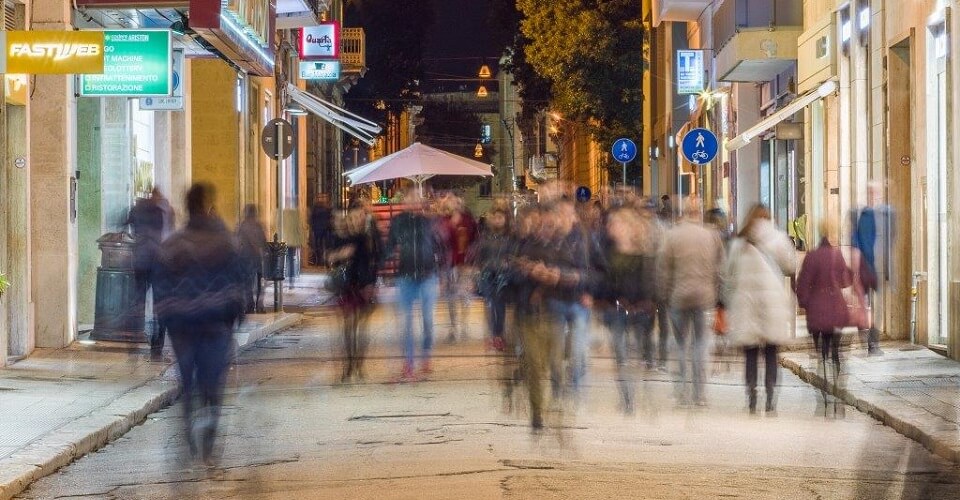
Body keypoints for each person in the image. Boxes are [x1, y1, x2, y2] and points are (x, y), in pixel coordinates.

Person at [153, 183, 245, 464]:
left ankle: (188, 433)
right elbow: (239, 284)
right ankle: (208, 446)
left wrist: (167, 320)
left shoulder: (172, 244)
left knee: (187, 381)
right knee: (213, 384)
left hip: (182, 327)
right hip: (215, 325)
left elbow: (161, 287)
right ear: (207, 206)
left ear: (186, 207)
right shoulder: (226, 242)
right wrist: (234, 317)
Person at [722, 205, 797, 414]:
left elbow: (728, 274)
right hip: (771, 305)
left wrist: (726, 303)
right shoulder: (778, 239)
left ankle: (752, 398)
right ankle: (771, 399)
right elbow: (791, 266)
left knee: (751, 355)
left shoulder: (738, 244)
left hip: (746, 305)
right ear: (768, 219)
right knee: (772, 354)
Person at [658, 198, 723, 406]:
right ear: (699, 212)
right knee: (700, 346)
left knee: (680, 346)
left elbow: (664, 269)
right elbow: (720, 269)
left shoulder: (672, 236)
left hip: (678, 297)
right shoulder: (711, 236)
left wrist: (665, 295)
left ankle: (681, 392)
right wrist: (717, 295)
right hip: (704, 298)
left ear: (684, 212)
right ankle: (699, 394)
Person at [598, 206, 657, 413]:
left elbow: (650, 284)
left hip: (638, 312)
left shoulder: (643, 254)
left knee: (634, 354)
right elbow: (603, 280)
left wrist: (646, 303)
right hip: (616, 311)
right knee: (621, 355)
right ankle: (627, 398)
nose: (612, 228)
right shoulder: (608, 252)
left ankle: (634, 393)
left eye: (617, 224)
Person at [383, 187, 445, 380]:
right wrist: (382, 263)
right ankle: (408, 362)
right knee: (407, 322)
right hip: (406, 276)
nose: (413, 201)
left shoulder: (428, 222)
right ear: (405, 200)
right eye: (410, 198)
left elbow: (440, 247)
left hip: (427, 275)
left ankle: (426, 354)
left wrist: (441, 272)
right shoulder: (398, 222)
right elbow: (390, 246)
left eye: (416, 198)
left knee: (427, 320)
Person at [328, 205, 381, 382]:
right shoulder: (341, 238)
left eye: (358, 217)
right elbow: (329, 259)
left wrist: (372, 285)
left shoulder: (368, 237)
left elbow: (375, 260)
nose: (355, 220)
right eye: (352, 218)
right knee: (349, 326)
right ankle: (349, 365)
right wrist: (338, 255)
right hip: (347, 286)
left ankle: (358, 364)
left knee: (361, 327)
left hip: (364, 286)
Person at [126, 187, 174, 361]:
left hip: (140, 261)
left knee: (138, 301)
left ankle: (133, 339)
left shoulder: (137, 209)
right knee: (159, 304)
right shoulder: (160, 212)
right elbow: (166, 236)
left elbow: (126, 224)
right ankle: (157, 344)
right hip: (157, 263)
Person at [851, 181, 893, 355]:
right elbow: (855, 243)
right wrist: (854, 271)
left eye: (874, 192)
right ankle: (868, 341)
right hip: (865, 268)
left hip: (878, 268)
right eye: (870, 192)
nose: (873, 195)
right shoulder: (862, 215)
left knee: (876, 307)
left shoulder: (886, 214)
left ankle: (872, 343)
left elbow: (890, 241)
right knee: (864, 305)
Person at [470, 208, 512, 352]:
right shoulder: (485, 237)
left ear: (505, 220)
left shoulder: (509, 238)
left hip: (502, 276)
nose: (498, 220)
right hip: (487, 275)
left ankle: (498, 335)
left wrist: (507, 264)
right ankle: (491, 335)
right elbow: (479, 256)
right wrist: (477, 271)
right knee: (489, 305)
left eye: (500, 218)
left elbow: (512, 255)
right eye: (495, 217)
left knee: (500, 307)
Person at [438, 194, 478, 343]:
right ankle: (453, 327)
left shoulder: (468, 219)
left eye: (456, 200)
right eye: (451, 201)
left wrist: (472, 260)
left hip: (465, 264)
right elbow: (440, 243)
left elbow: (475, 240)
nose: (454, 203)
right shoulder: (444, 220)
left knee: (464, 296)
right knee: (451, 297)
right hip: (449, 264)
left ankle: (464, 326)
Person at [237, 204, 267, 314]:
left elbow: (237, 241)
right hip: (257, 257)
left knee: (247, 282)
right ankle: (259, 305)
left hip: (245, 257)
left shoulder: (242, 226)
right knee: (260, 282)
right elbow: (264, 241)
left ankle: (249, 305)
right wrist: (263, 251)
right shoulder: (259, 225)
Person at [309, 194, 333, 267]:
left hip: (321, 229)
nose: (322, 199)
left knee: (320, 245)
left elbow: (312, 219)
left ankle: (321, 261)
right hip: (322, 229)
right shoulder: (326, 208)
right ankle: (322, 261)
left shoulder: (317, 208)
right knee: (323, 245)